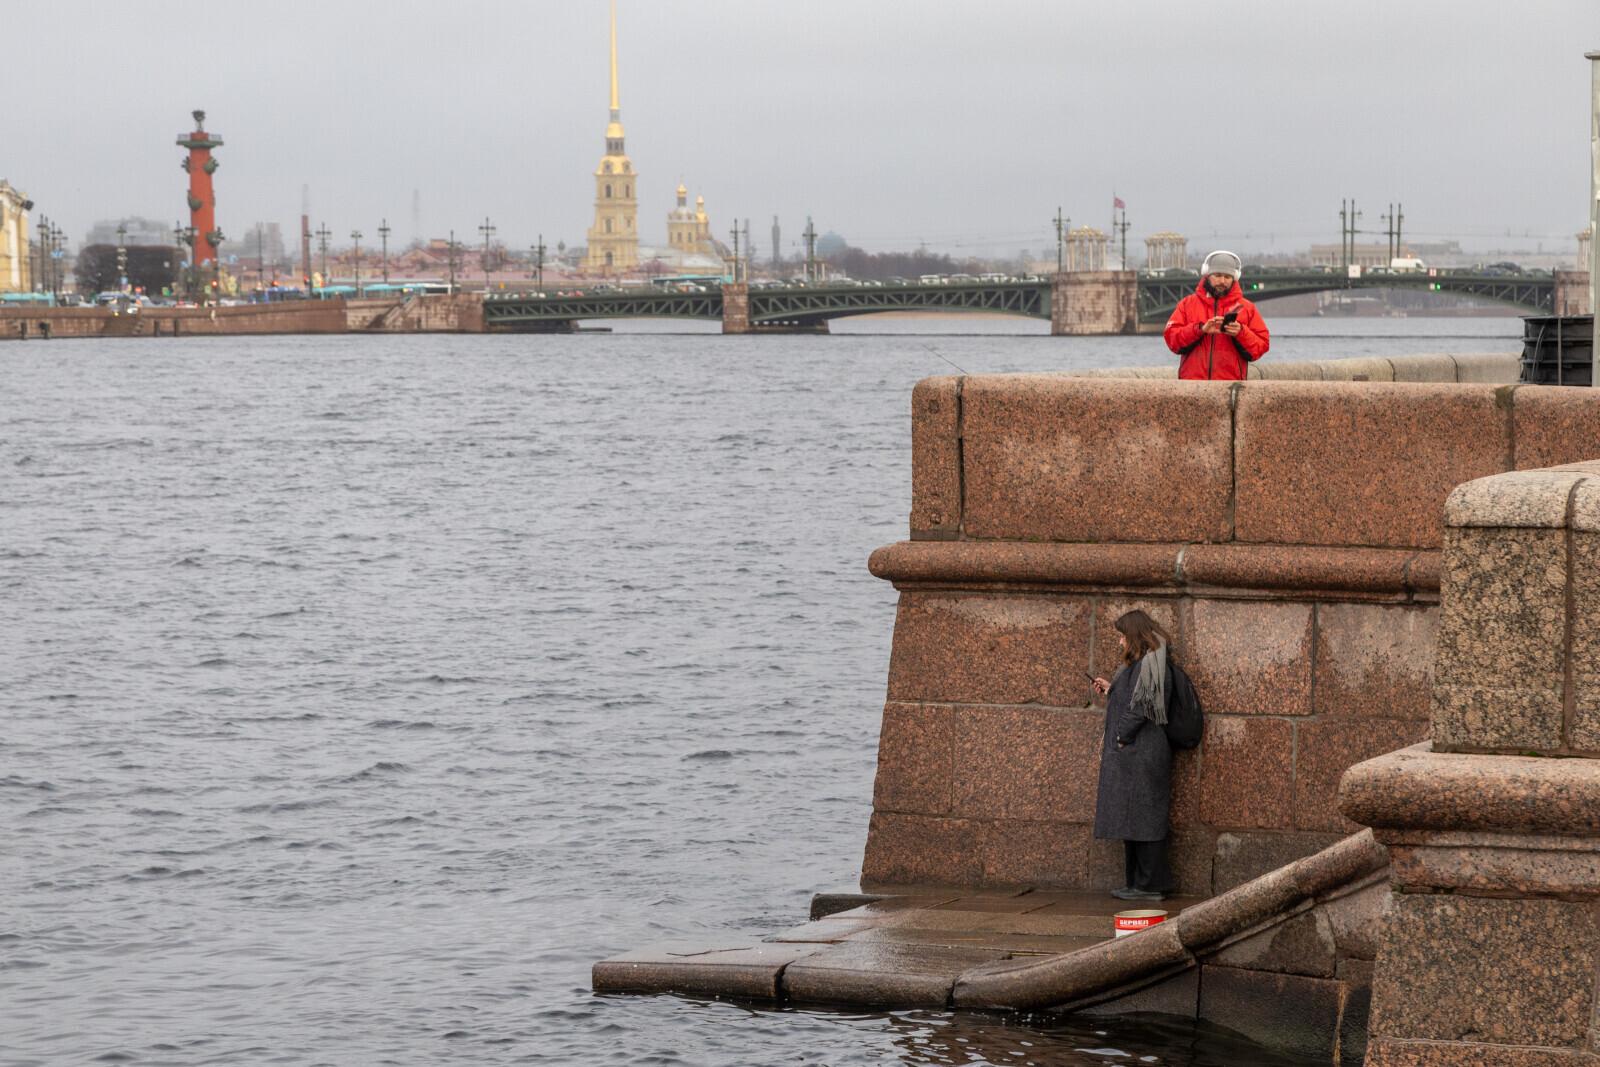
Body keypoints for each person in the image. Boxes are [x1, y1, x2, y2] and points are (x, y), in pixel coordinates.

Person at [1090, 610, 1177, 901]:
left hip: (1142, 752)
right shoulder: (1145, 663)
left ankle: (1150, 885)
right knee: (1135, 819)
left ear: (1134, 635)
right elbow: (1134, 697)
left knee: (1144, 819)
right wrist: (1112, 690)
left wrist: (1121, 736)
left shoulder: (1150, 663)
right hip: (1137, 753)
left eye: (1122, 636)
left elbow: (1141, 708)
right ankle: (1139, 883)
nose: (1120, 642)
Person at [1163, 250, 1270, 380]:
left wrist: (1241, 333)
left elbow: (1262, 346)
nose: (1222, 281)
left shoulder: (1247, 308)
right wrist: (1200, 329)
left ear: (1235, 278)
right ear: (1207, 275)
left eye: (1227, 277)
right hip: (1192, 386)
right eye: (1218, 275)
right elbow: (1172, 339)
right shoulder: (1187, 304)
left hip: (1230, 387)